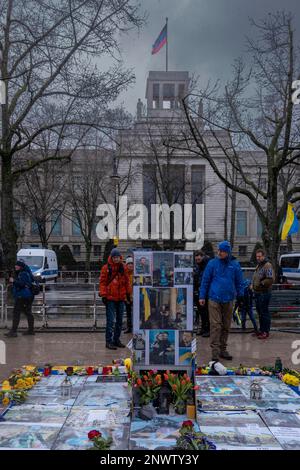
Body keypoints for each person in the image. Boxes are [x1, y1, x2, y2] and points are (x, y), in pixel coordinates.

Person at [199, 240, 244, 361]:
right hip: (214, 298)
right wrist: (202, 296)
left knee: (226, 325)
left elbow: (239, 282)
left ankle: (223, 349)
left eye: (222, 251)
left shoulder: (235, 264)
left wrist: (241, 296)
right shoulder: (212, 263)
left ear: (227, 252)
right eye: (218, 250)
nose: (219, 253)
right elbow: (205, 280)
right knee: (215, 325)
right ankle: (215, 351)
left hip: (229, 299)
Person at [99, 248, 130, 350]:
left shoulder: (123, 267)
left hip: (120, 298)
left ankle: (116, 340)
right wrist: (104, 295)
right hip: (110, 298)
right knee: (111, 321)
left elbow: (126, 282)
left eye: (117, 257)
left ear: (120, 257)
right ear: (111, 258)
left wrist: (128, 295)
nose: (116, 259)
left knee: (120, 321)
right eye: (114, 257)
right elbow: (102, 282)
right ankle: (108, 341)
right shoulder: (106, 268)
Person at [5, 260, 35, 337]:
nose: (15, 266)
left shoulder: (23, 274)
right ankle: (31, 330)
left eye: (17, 265)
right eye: (15, 265)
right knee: (27, 312)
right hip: (26, 296)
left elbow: (22, 284)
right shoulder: (23, 273)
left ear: (20, 267)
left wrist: (14, 281)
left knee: (16, 313)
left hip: (22, 296)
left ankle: (13, 332)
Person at [252, 249, 274, 339]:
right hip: (258, 293)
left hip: (264, 293)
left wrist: (261, 284)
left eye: (260, 256)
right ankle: (261, 330)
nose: (258, 258)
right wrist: (252, 285)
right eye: (257, 256)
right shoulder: (259, 266)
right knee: (260, 312)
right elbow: (256, 277)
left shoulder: (267, 265)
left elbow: (270, 279)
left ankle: (265, 331)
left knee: (264, 313)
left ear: (263, 256)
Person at [193, 250, 210, 337]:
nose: (197, 260)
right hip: (198, 291)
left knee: (206, 312)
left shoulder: (207, 265)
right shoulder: (198, 266)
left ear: (202, 256)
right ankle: (203, 328)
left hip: (205, 292)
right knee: (201, 312)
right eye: (196, 259)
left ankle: (208, 329)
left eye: (199, 258)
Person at [124, 256, 134, 334]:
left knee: (136, 312)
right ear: (126, 265)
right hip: (127, 295)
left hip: (135, 295)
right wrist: (125, 298)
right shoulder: (124, 274)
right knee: (128, 312)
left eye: (132, 263)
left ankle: (135, 326)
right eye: (129, 263)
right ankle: (129, 327)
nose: (130, 265)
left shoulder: (136, 273)